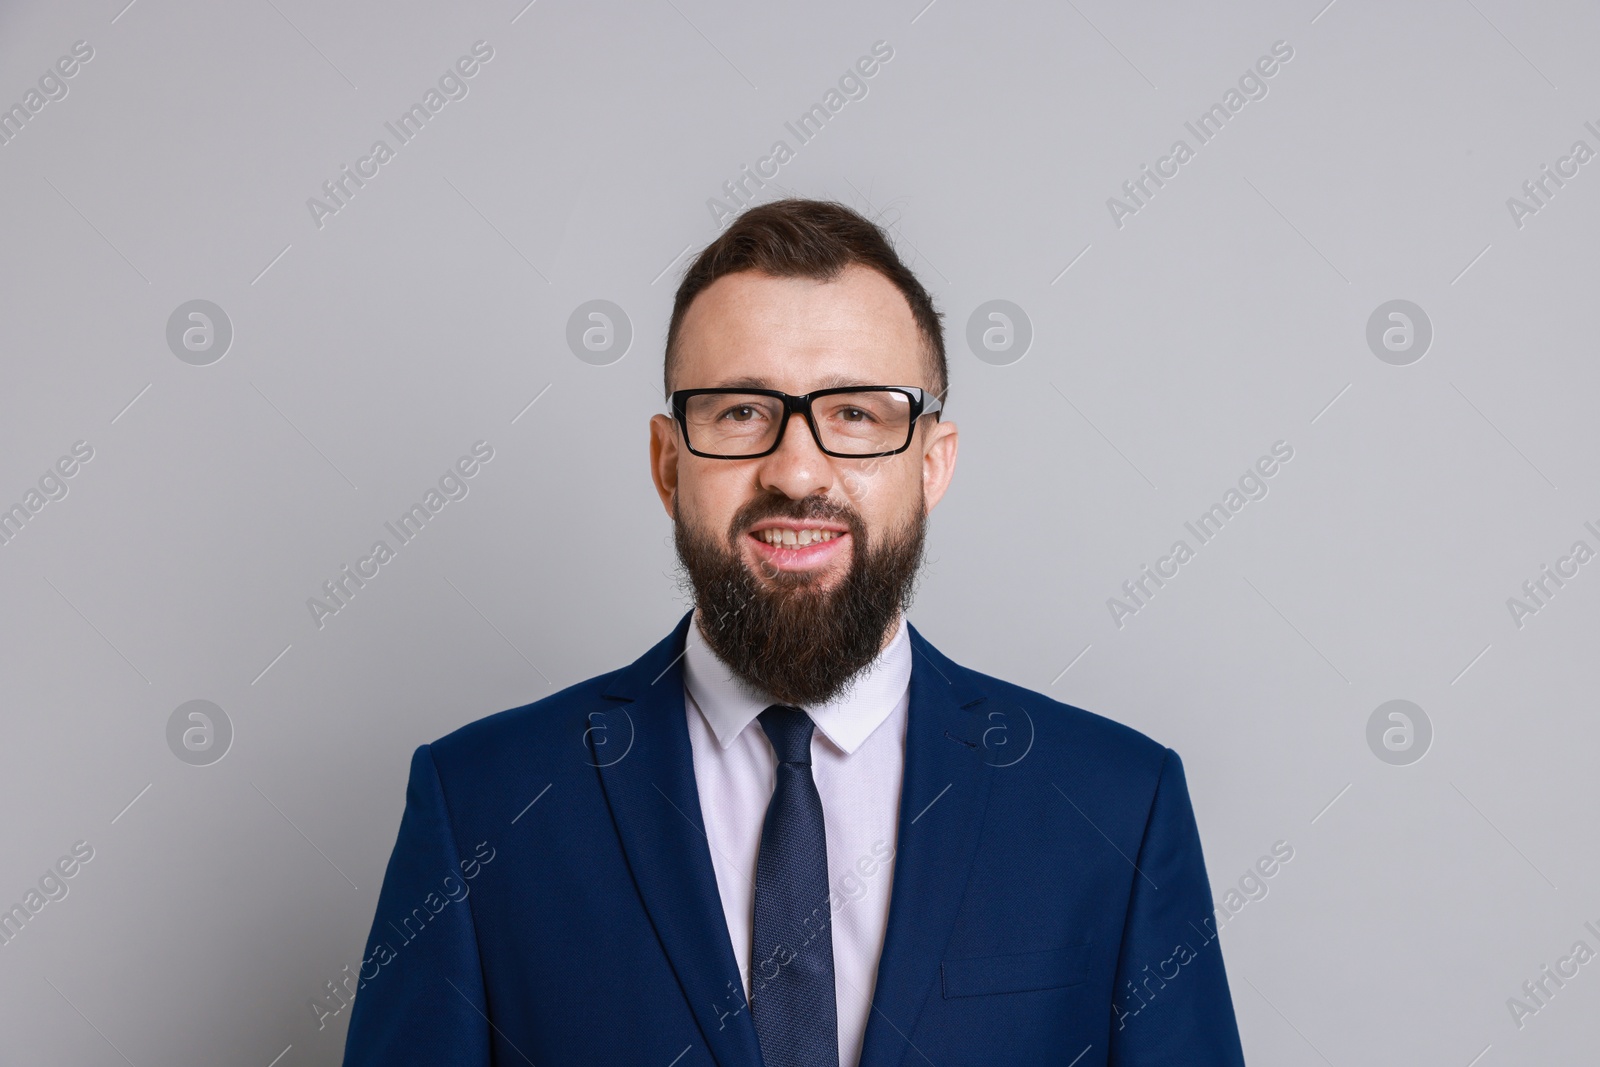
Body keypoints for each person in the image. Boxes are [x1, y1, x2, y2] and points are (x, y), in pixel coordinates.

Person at [341, 199, 1247, 1067]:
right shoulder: (481, 808)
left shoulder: (1118, 809)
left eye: (856, 413)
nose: (797, 468)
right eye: (741, 412)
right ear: (668, 463)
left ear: (931, 465)